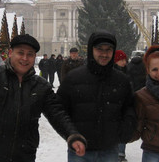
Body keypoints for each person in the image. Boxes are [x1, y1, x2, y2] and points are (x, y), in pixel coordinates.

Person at [0, 34, 86, 162]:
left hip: (24, 155)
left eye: (30, 54)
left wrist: (72, 135)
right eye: (21, 53)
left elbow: (57, 113)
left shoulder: (40, 85)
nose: (25, 58)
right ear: (11, 53)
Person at [57, 30, 136, 162]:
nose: (104, 54)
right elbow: (59, 110)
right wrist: (71, 134)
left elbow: (129, 107)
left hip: (110, 149)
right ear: (91, 50)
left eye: (108, 49)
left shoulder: (122, 80)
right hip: (80, 150)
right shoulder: (74, 78)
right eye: (100, 49)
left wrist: (125, 129)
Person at [112, 50, 128, 162]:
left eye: (125, 60)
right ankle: (116, 151)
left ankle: (121, 152)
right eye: (121, 60)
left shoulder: (127, 71)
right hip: (114, 105)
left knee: (122, 130)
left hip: (124, 105)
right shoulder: (112, 72)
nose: (124, 62)